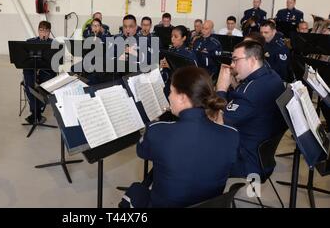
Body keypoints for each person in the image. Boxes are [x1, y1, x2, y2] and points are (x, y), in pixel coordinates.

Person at [120, 66, 239, 208]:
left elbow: (142, 151)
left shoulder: (158, 131)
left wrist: (154, 123)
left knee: (135, 190)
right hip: (210, 204)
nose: (169, 96)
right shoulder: (232, 134)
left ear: (183, 98)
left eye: (171, 92)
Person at [216, 40, 286, 177]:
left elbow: (219, 122)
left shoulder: (250, 93)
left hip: (245, 159)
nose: (232, 65)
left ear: (252, 60)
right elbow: (250, 105)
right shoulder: (272, 76)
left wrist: (221, 89)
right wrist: (236, 85)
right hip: (262, 154)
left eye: (236, 60)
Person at [23, 21, 57, 124]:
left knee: (43, 87)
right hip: (33, 71)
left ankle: (36, 112)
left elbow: (56, 64)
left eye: (46, 31)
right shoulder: (30, 42)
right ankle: (35, 112)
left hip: (47, 72)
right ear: (38, 31)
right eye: (41, 30)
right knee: (29, 84)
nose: (43, 33)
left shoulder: (54, 44)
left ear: (49, 32)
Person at [160, 25, 198, 96]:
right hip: (169, 86)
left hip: (182, 91)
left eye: (176, 37)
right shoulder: (171, 50)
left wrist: (170, 66)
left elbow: (189, 77)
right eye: (172, 36)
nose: (172, 39)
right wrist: (162, 66)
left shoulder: (188, 54)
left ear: (183, 38)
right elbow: (166, 73)